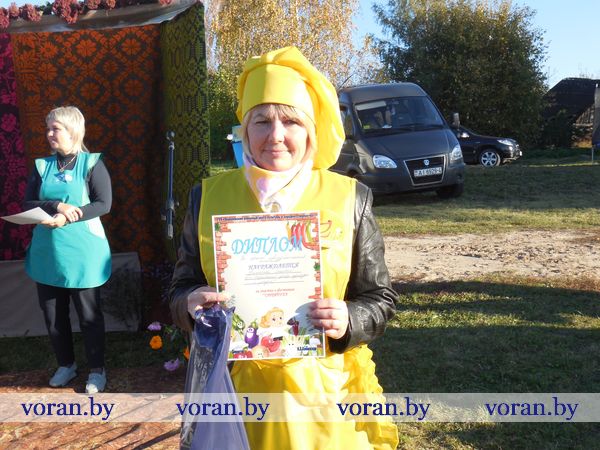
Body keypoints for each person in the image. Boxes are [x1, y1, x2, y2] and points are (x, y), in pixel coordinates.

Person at [170, 46, 399, 448]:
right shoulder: (206, 197)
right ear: (245, 129)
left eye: (291, 121)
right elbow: (180, 288)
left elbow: (379, 298)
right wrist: (189, 304)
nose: (276, 135)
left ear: (310, 130)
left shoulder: (349, 198)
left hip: (324, 401)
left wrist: (349, 319)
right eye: (262, 121)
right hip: (235, 396)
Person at [23, 106, 112, 394]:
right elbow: (27, 203)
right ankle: (66, 365)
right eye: (48, 128)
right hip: (48, 252)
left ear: (73, 131)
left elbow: (103, 204)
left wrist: (68, 217)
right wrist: (56, 206)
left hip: (83, 252)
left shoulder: (91, 163)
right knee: (53, 315)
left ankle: (97, 370)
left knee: (89, 315)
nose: (49, 134)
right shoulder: (42, 167)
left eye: (55, 128)